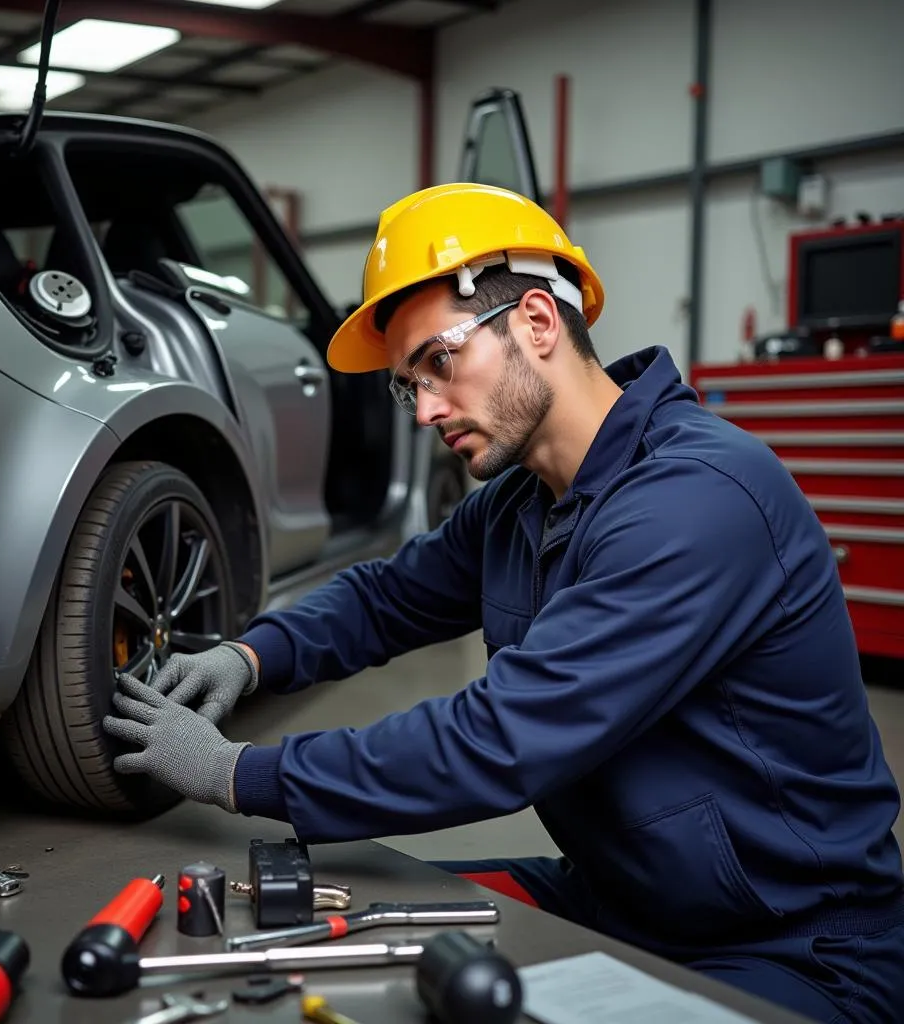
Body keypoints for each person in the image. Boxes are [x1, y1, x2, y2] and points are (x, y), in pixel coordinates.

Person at [103, 183, 904, 1022]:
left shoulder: (699, 500)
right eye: (408, 385)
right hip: (621, 899)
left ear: (536, 322)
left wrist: (239, 772)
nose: (427, 411)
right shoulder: (523, 501)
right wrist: (251, 654)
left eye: (439, 362)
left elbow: (500, 739)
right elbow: (386, 598)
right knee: (329, 929)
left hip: (796, 948)